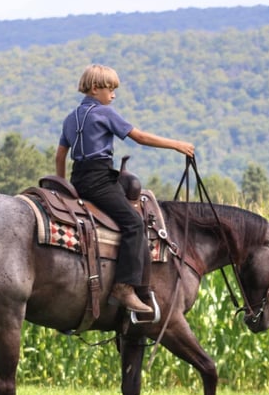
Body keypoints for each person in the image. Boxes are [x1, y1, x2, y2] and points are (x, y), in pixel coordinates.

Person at [56, 64, 195, 314]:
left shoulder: (70, 118)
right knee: (133, 223)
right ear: (95, 88)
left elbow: (60, 155)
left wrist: (63, 184)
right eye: (110, 89)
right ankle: (124, 286)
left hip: (79, 179)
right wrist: (176, 145)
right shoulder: (104, 113)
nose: (114, 95)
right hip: (99, 179)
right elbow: (139, 137)